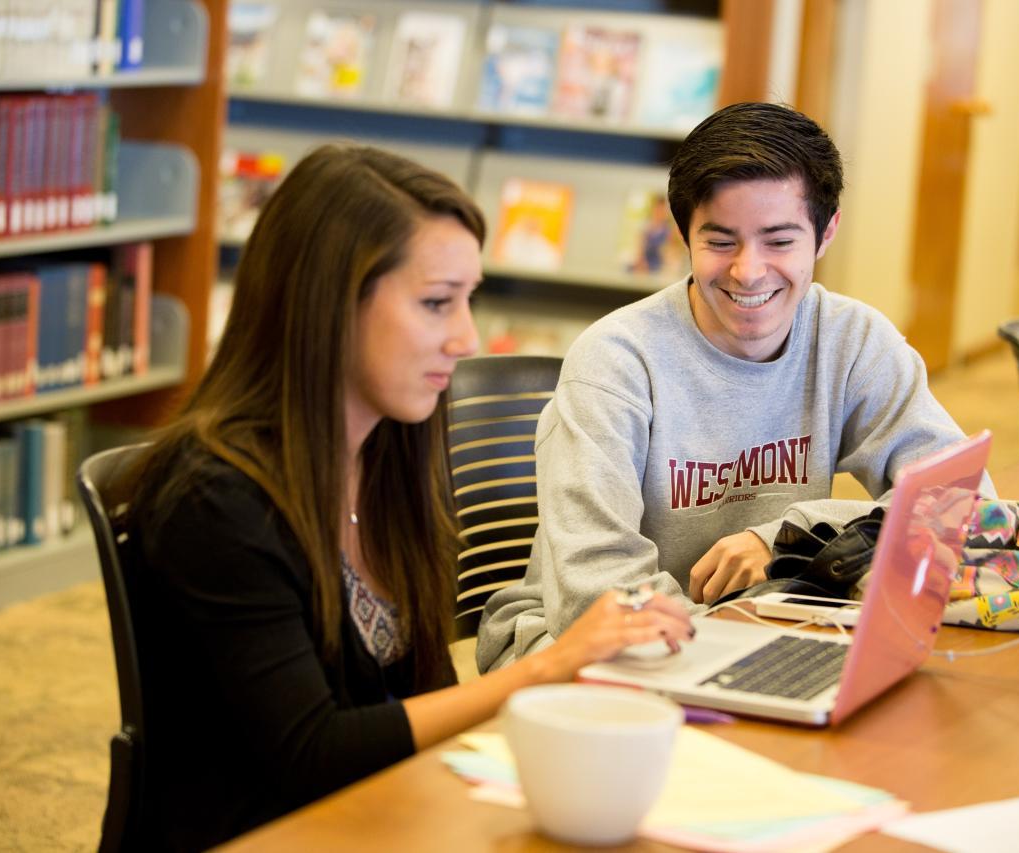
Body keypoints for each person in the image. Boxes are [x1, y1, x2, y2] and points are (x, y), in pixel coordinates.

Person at [121, 145, 692, 850]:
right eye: (435, 302)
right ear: (327, 304)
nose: (467, 336)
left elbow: (421, 692)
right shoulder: (214, 500)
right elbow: (311, 755)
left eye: (468, 298)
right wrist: (550, 664)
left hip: (382, 815)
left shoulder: (391, 452)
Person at [476, 102, 994, 673]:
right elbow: (597, 594)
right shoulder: (616, 363)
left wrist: (788, 539)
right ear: (685, 235)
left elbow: (963, 503)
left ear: (825, 235)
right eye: (720, 242)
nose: (749, 272)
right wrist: (742, 651)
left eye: (779, 241)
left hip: (754, 624)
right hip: (574, 639)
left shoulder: (852, 341)